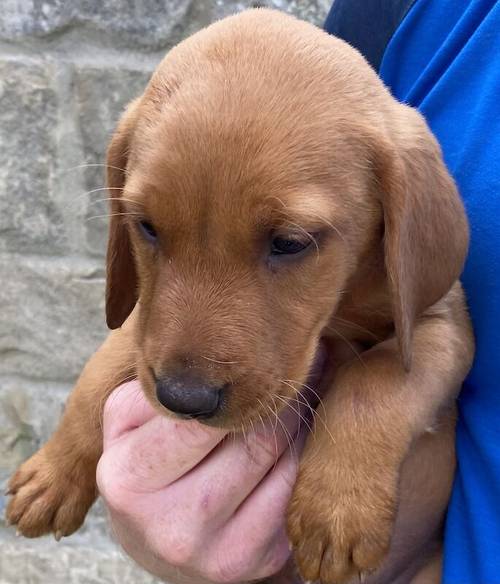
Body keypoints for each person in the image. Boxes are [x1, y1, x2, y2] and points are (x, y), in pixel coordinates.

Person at [97, 1, 500, 582]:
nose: (187, 380)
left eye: (287, 243)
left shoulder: (394, 185)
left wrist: (360, 429)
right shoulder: (410, 12)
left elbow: (437, 324)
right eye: (149, 226)